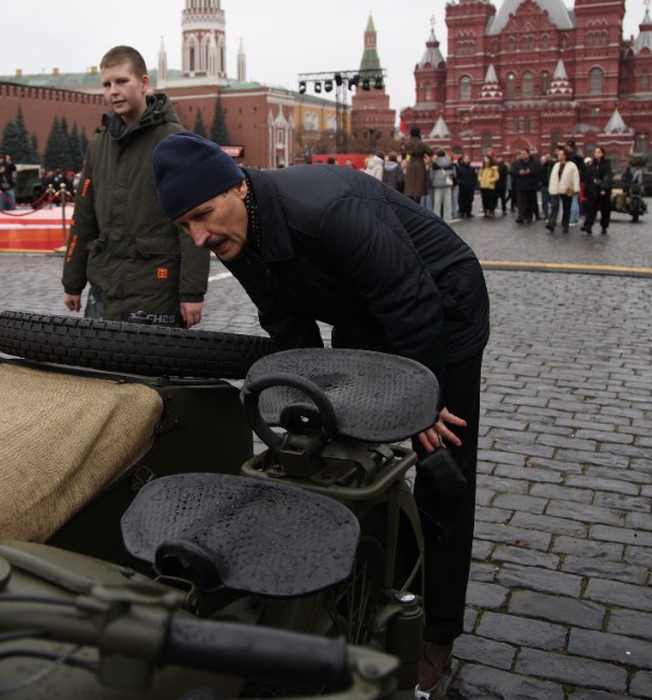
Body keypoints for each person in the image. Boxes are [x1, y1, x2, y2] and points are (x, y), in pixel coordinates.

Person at [151, 131, 490, 697]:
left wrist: (422, 404)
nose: (200, 236)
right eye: (185, 226)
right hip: (361, 309)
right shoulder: (230, 234)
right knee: (346, 455)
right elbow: (287, 326)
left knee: (440, 466)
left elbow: (412, 302)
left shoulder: (328, 209)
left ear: (238, 186)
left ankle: (435, 633)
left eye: (204, 215)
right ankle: (362, 580)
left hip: (441, 310)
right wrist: (303, 412)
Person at [62, 45, 210, 327]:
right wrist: (72, 281)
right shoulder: (99, 145)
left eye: (121, 81)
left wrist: (192, 292)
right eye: (107, 84)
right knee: (95, 367)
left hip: (156, 288)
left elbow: (194, 225)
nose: (113, 91)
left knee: (150, 369)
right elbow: (83, 219)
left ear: (144, 83)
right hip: (104, 287)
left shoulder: (175, 142)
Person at [546, 146, 579, 234]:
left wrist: (576, 188)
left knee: (566, 208)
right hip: (556, 189)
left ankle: (565, 225)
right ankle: (551, 223)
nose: (558, 156)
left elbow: (575, 177)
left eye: (560, 154)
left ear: (565, 155)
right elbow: (552, 177)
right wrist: (551, 188)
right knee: (554, 206)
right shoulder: (556, 165)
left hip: (567, 189)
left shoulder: (572, 165)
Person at [581, 145, 613, 235]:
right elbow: (588, 177)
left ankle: (604, 226)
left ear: (603, 154)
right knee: (591, 208)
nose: (596, 154)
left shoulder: (606, 164)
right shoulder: (592, 164)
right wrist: (586, 190)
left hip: (603, 191)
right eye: (595, 152)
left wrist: (604, 188)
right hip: (593, 190)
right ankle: (588, 225)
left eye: (598, 152)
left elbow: (607, 177)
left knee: (605, 210)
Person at [402, 128, 430, 206]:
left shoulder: (407, 144)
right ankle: (417, 205)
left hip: (410, 165)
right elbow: (431, 152)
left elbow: (404, 150)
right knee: (419, 187)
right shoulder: (422, 144)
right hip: (420, 164)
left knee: (410, 186)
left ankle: (410, 205)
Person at [510, 148, 538, 223]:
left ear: (528, 154)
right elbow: (512, 173)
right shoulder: (518, 163)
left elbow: (538, 172)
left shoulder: (534, 162)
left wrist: (530, 172)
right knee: (521, 202)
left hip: (531, 186)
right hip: (520, 186)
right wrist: (519, 172)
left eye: (524, 154)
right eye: (521, 154)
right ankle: (520, 217)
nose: (523, 155)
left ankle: (529, 216)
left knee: (530, 202)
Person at [453, 149, 476, 218]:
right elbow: (456, 177)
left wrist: (473, 184)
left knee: (470, 199)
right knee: (462, 200)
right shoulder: (459, 168)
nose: (467, 159)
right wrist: (459, 182)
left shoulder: (471, 168)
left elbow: (474, 177)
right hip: (462, 186)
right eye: (465, 158)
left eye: (468, 158)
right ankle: (462, 212)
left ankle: (468, 212)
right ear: (462, 160)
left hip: (470, 186)